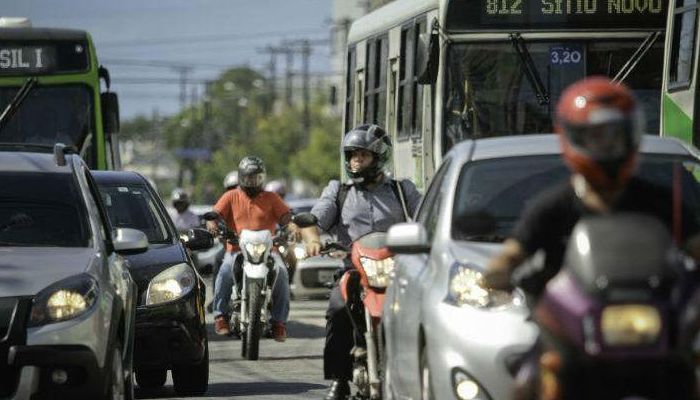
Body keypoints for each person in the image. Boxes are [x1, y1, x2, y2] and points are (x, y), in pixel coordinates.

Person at [483, 76, 700, 295]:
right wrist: (497, 272)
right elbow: (513, 253)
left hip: (653, 314)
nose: (607, 145)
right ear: (574, 138)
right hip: (569, 320)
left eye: (615, 136)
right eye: (596, 137)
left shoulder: (660, 202)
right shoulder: (552, 207)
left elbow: (694, 244)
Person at [299, 124, 422, 400]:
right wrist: (311, 239)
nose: (355, 160)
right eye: (352, 155)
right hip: (354, 269)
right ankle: (339, 379)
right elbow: (314, 220)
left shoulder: (402, 190)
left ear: (378, 156)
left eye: (362, 155)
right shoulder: (338, 191)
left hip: (397, 268)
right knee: (338, 309)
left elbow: (426, 217)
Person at [207, 156, 296, 342]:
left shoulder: (272, 197)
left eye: (255, 177)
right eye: (248, 177)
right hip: (236, 249)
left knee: (282, 273)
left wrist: (292, 227)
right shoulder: (231, 196)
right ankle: (220, 316)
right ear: (241, 178)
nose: (252, 181)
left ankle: (279, 322)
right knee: (224, 272)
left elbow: (287, 216)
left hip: (268, 250)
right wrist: (212, 223)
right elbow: (215, 213)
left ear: (262, 178)